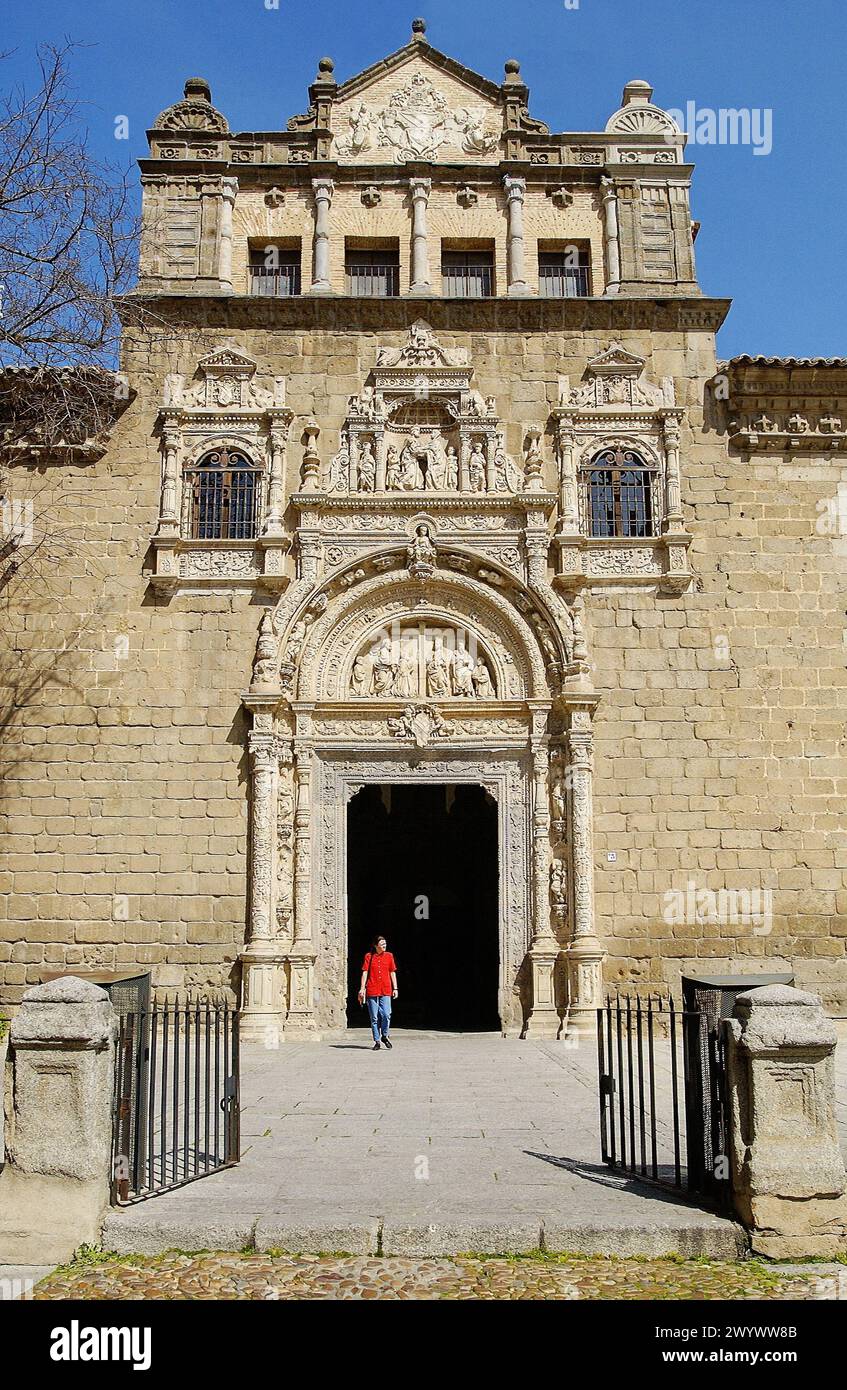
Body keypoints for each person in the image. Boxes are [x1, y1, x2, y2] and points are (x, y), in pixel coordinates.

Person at [358, 936, 398, 1050]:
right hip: (372, 989)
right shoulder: (369, 956)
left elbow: (392, 972)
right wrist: (362, 988)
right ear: (376, 946)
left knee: (386, 1014)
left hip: (386, 989)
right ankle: (377, 1040)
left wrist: (395, 988)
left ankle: (384, 1035)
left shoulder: (389, 956)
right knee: (374, 1017)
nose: (384, 945)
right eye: (382, 944)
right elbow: (365, 973)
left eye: (385, 943)